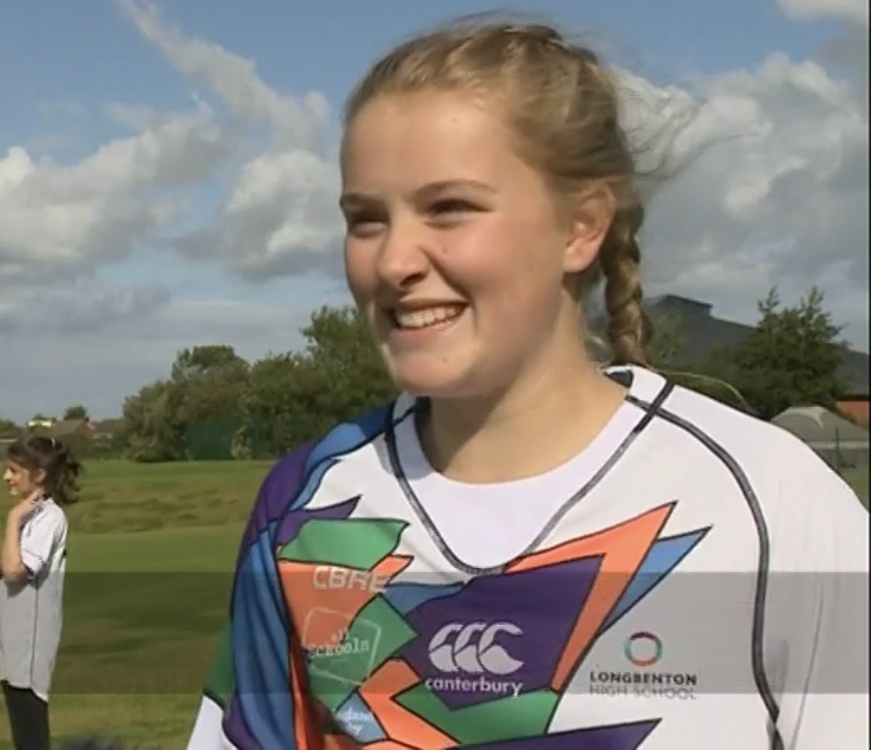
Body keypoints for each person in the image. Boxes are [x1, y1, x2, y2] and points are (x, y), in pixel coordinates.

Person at [187, 16, 869, 750]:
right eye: (366, 219)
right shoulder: (304, 501)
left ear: (581, 227)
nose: (392, 262)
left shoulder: (769, 502)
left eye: (449, 208)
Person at [0, 435, 82, 750]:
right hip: (13, 643)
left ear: (40, 474)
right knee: (23, 733)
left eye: (14, 470)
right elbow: (10, 576)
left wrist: (11, 520)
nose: (6, 477)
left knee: (31, 735)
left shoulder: (49, 518)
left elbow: (18, 571)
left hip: (30, 645)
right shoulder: (30, 515)